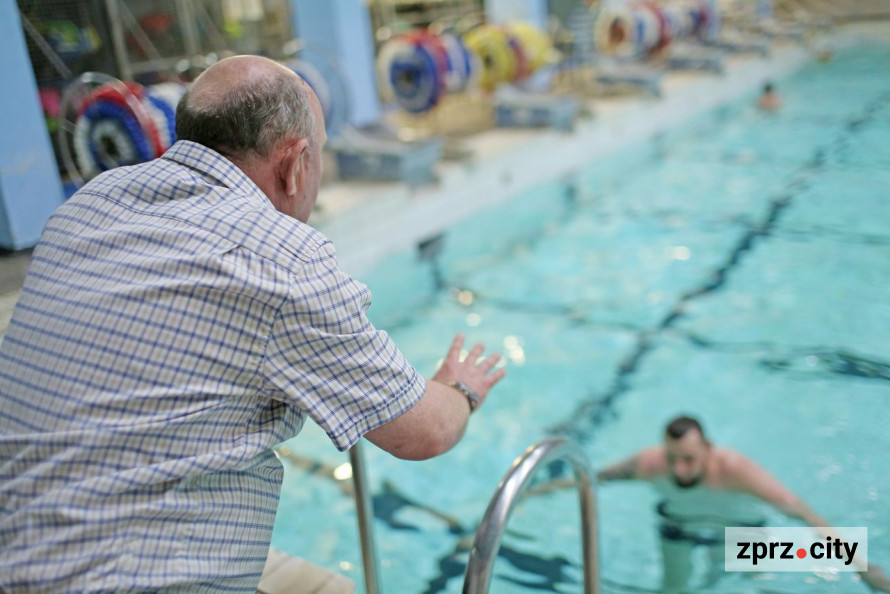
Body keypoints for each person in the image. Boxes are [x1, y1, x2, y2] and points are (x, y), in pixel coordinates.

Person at [0, 55, 505, 592]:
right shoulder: (282, 261)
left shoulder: (86, 207)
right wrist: (460, 388)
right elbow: (423, 432)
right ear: (294, 164)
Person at [596, 416, 890, 592]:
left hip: (741, 534)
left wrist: (864, 567)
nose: (678, 471)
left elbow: (804, 514)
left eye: (688, 459)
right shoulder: (649, 464)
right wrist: (549, 487)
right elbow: (589, 479)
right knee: (672, 590)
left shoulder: (737, 472)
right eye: (672, 459)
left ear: (708, 450)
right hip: (679, 529)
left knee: (746, 587)